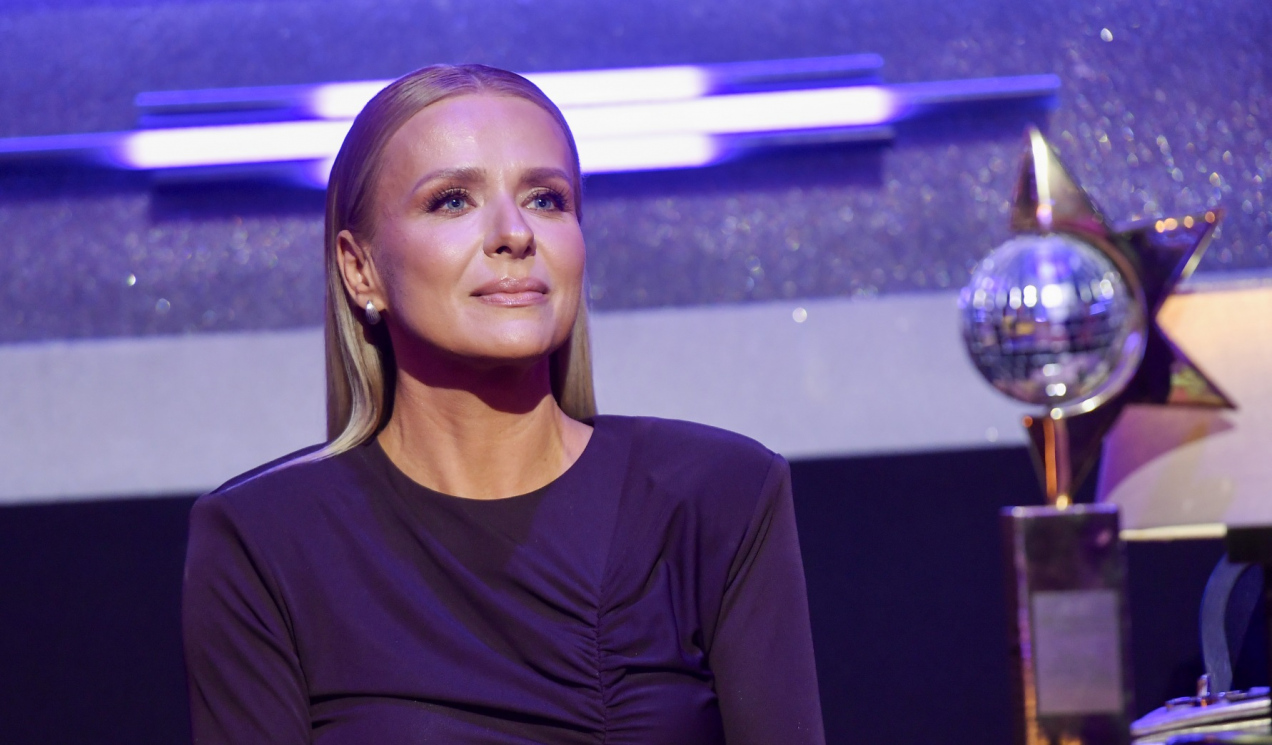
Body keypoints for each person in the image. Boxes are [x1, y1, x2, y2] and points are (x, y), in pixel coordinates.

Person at [182, 63, 825, 745]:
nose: (515, 233)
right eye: (452, 201)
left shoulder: (718, 496)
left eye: (546, 199)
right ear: (360, 268)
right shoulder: (263, 539)